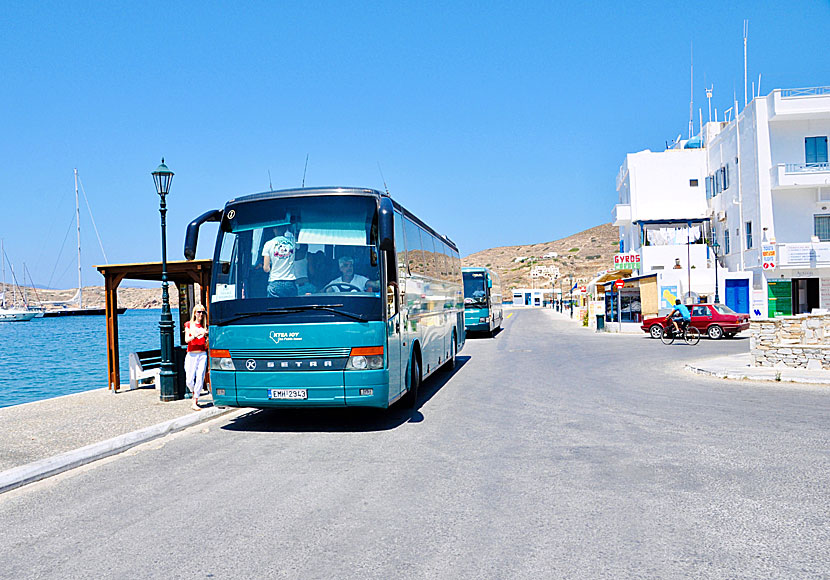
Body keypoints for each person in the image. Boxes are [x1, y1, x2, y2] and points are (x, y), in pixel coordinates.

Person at [184, 305, 209, 411]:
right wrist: (196, 334)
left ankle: (195, 400)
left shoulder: (204, 327)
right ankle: (195, 392)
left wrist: (206, 336)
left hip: (202, 354)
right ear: (194, 313)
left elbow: (206, 344)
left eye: (203, 312)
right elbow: (186, 340)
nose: (201, 314)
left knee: (199, 377)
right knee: (189, 380)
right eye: (199, 312)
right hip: (191, 354)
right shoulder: (189, 325)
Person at [262, 225, 297, 297]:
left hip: (275, 282)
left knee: (274, 307)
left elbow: (266, 268)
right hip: (290, 282)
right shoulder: (292, 243)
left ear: (274, 229)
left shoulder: (268, 244)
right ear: (285, 229)